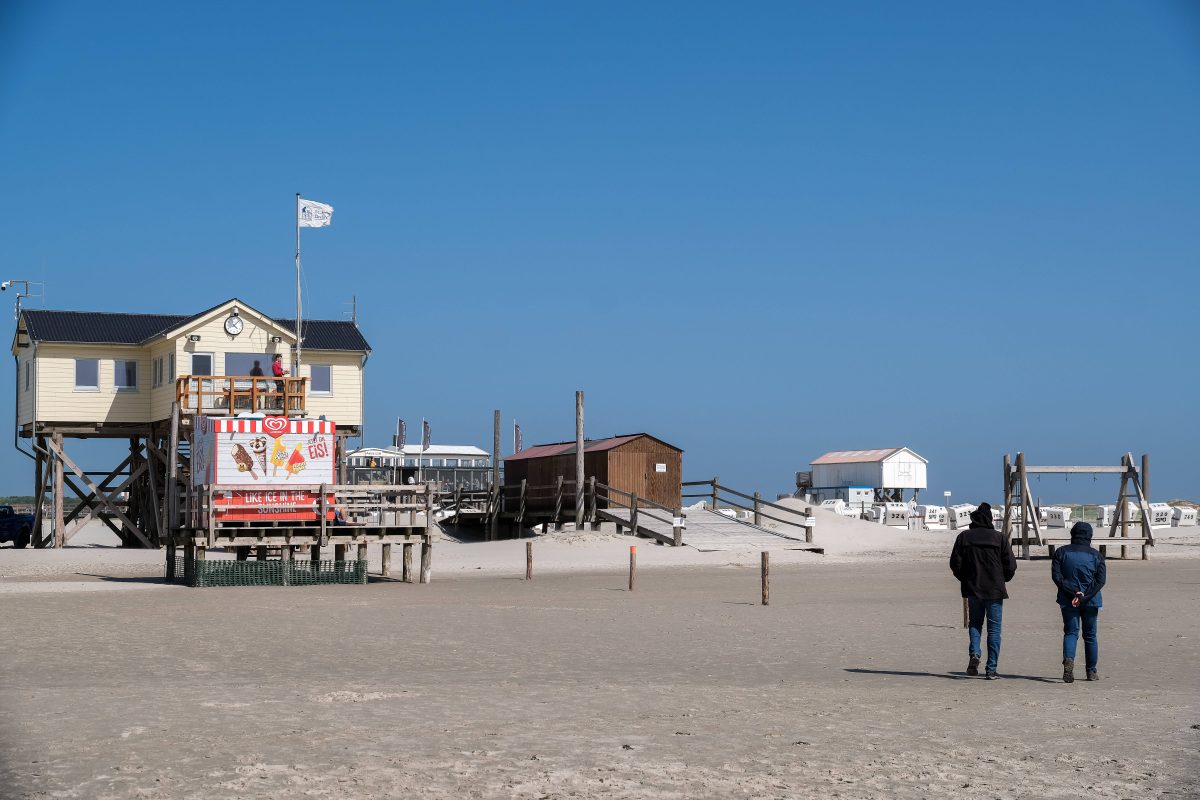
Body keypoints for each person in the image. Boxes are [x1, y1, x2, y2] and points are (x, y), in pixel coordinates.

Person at [949, 502, 1017, 679]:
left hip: (973, 588)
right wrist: (1003, 579)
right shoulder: (999, 538)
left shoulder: (964, 537)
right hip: (994, 589)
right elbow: (1010, 565)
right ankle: (991, 668)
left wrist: (965, 579)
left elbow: (955, 564)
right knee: (994, 629)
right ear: (990, 520)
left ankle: (975, 653)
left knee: (975, 624)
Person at [1051, 521, 1106, 683]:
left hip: (1068, 599)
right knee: (1090, 635)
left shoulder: (1061, 552)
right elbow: (1100, 580)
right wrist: (1084, 595)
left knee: (1071, 632)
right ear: (1089, 536)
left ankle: (1069, 659)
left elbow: (1057, 577)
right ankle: (1091, 671)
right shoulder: (1096, 555)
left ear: (1072, 534)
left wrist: (1074, 593)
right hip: (1091, 600)